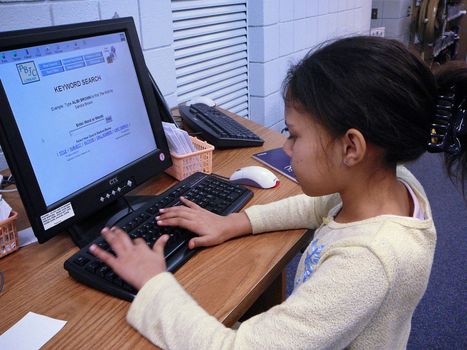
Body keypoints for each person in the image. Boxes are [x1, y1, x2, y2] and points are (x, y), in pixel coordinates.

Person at [90, 36, 467, 349]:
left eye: (295, 135)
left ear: (351, 148)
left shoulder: (368, 261)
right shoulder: (391, 183)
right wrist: (236, 222)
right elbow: (318, 204)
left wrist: (154, 284)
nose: (286, 148)